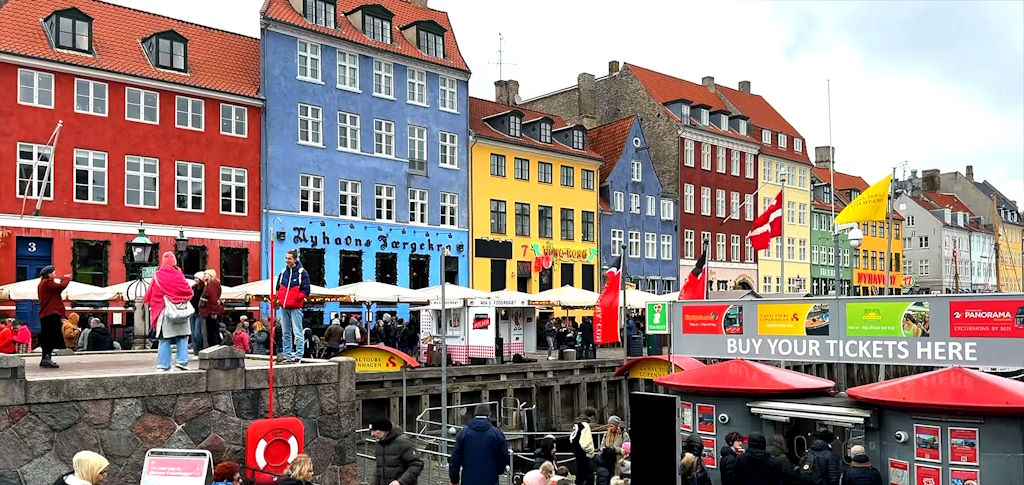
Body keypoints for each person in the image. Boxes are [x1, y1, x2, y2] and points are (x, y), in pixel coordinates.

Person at [144, 252, 195, 372]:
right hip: (182, 311)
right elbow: (189, 292)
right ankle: (182, 361)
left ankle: (163, 365)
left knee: (164, 339)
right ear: (174, 262)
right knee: (182, 337)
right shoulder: (179, 275)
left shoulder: (158, 275)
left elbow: (152, 294)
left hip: (165, 311)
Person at [449, 404, 509, 485]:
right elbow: (503, 456)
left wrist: (454, 479)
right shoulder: (497, 433)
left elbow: (455, 459)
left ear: (475, 415)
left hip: (468, 480)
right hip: (490, 480)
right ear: (488, 415)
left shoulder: (464, 432)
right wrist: (499, 470)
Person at [275, 250, 310, 363]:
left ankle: (298, 355)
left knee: (297, 332)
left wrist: (296, 298)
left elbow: (306, 290)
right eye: (286, 258)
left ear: (295, 259)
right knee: (286, 332)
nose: (287, 260)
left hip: (295, 306)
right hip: (284, 305)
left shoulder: (302, 272)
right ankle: (287, 355)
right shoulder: (283, 272)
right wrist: (279, 298)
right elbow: (278, 287)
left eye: (289, 258)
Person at [369, 418, 423, 485]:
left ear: (385, 430)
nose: (372, 434)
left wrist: (400, 481)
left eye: (375, 430)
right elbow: (379, 467)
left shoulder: (403, 443)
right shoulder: (379, 444)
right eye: (371, 431)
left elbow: (416, 465)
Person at [37, 266, 70, 368]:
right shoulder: (47, 283)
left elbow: (56, 291)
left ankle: (46, 358)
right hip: (50, 314)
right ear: (49, 274)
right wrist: (67, 278)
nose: (55, 274)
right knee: (50, 337)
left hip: (46, 314)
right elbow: (61, 286)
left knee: (47, 337)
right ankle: (47, 358)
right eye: (53, 273)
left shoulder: (43, 284)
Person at [568, 408, 597, 485]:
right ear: (592, 416)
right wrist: (591, 451)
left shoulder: (577, 424)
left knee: (579, 474)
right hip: (585, 454)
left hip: (577, 452)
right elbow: (585, 443)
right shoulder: (586, 426)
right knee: (588, 475)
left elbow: (571, 438)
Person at [200, 270, 224, 347]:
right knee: (212, 331)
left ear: (210, 275)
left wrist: (214, 312)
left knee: (212, 331)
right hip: (209, 310)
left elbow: (213, 298)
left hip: (210, 311)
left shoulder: (212, 283)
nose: (204, 276)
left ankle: (214, 347)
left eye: (205, 274)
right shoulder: (210, 284)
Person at [190, 272, 207, 356]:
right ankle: (196, 352)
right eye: (194, 278)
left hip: (199, 313)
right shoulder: (192, 288)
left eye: (197, 278)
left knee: (197, 333)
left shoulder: (204, 289)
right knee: (193, 333)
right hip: (192, 312)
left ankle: (200, 349)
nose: (195, 280)